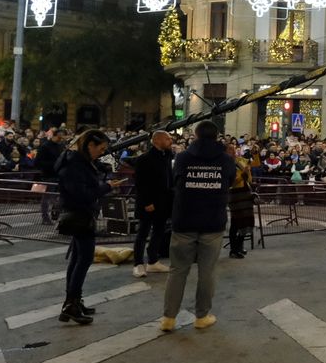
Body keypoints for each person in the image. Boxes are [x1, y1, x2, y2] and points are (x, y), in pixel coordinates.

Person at [162, 121, 237, 332]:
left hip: (184, 220)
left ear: (195, 135)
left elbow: (174, 182)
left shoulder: (183, 158)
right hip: (212, 222)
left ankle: (168, 318)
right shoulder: (225, 159)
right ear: (217, 137)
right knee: (207, 272)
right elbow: (230, 180)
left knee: (177, 270)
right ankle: (201, 316)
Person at [56, 130, 122, 326]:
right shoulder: (76, 165)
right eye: (100, 149)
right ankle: (71, 304)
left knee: (77, 258)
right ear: (89, 146)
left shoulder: (78, 162)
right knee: (83, 259)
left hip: (81, 213)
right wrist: (106, 187)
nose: (100, 153)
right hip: (80, 214)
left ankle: (74, 301)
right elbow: (82, 193)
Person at [130, 130, 175, 278]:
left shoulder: (167, 157)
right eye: (167, 139)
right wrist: (147, 202)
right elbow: (140, 183)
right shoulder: (145, 159)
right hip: (149, 204)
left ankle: (153, 261)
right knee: (143, 233)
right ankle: (138, 264)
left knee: (158, 232)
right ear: (157, 141)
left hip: (163, 203)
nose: (171, 141)